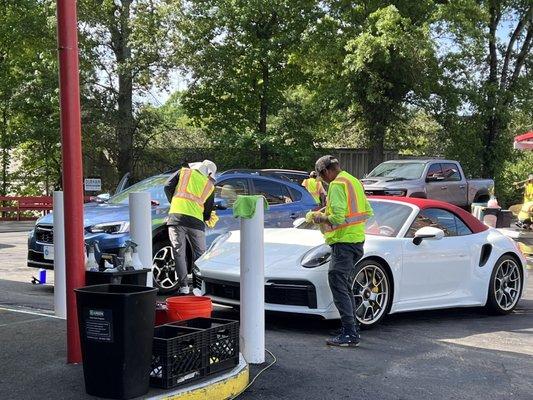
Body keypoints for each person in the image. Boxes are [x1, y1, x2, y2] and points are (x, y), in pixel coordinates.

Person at [309, 155, 373, 347]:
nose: (323, 181)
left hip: (343, 243)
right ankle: (351, 327)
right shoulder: (353, 181)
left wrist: (316, 216)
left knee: (338, 283)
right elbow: (368, 212)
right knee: (344, 285)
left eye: (322, 177)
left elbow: (336, 218)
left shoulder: (337, 185)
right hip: (356, 241)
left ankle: (350, 334)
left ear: (326, 171)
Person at [164, 160, 218, 294]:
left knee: (179, 253)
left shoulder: (183, 172)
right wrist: (205, 217)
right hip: (196, 221)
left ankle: (183, 287)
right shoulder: (209, 185)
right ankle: (198, 288)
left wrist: (175, 202)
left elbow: (167, 186)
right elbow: (207, 210)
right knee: (200, 255)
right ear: (210, 173)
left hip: (176, 217)